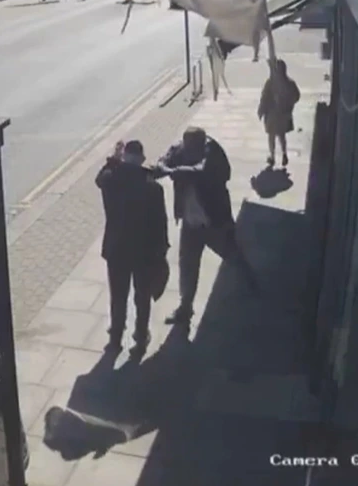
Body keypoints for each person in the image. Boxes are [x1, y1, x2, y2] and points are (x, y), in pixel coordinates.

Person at [155, 127, 258, 326]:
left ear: (202, 145)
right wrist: (168, 169)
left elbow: (200, 172)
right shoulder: (180, 150)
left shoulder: (213, 153)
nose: (188, 153)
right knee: (187, 266)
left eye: (192, 149)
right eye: (186, 148)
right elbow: (161, 164)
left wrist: (174, 171)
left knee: (231, 254)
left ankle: (249, 283)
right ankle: (185, 308)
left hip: (214, 221)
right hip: (191, 222)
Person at [96, 140, 169, 354]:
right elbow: (160, 223)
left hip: (116, 249)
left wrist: (113, 158)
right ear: (143, 160)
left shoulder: (110, 180)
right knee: (142, 296)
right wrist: (162, 250)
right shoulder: (153, 187)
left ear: (124, 158)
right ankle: (140, 336)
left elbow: (99, 178)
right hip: (144, 252)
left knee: (118, 296)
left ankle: (116, 338)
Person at [257, 59, 301, 168]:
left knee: (271, 136)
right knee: (281, 136)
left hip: (272, 113)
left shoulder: (271, 82)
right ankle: (284, 154)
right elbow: (296, 96)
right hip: (283, 114)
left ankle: (272, 156)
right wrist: (289, 105)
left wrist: (261, 110)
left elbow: (264, 97)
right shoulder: (289, 82)